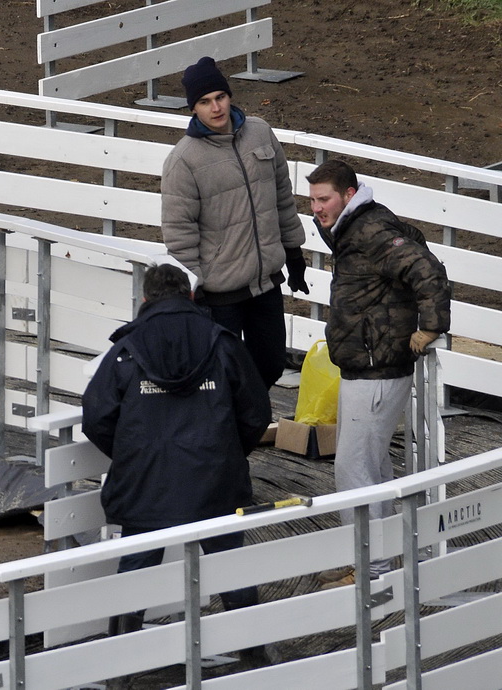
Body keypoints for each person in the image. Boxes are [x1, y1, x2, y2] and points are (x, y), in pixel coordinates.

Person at [81, 263, 273, 683]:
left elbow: (96, 417)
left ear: (145, 300)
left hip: (146, 486)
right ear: (189, 297)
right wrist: (226, 452)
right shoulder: (221, 343)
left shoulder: (126, 349)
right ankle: (254, 656)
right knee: (231, 568)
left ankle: (120, 668)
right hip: (215, 483)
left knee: (135, 573)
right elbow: (257, 411)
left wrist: (133, 455)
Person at [306, 160, 451, 588]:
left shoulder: (369, 231)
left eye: (324, 199)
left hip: (377, 369)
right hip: (369, 366)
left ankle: (370, 570)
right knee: (373, 469)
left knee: (353, 471)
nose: (316, 208)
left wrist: (429, 327)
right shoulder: (357, 228)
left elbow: (427, 271)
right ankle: (382, 558)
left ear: (349, 194)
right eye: (312, 200)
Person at [161, 56, 308, 389]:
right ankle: (232, 435)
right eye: (204, 102)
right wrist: (191, 293)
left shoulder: (260, 133)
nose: (215, 108)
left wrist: (294, 254)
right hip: (219, 294)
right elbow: (179, 236)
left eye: (220, 97)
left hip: (266, 281)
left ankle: (243, 425)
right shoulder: (182, 161)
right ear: (193, 109)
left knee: (270, 366)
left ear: (229, 96)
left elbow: (282, 197)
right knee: (222, 375)